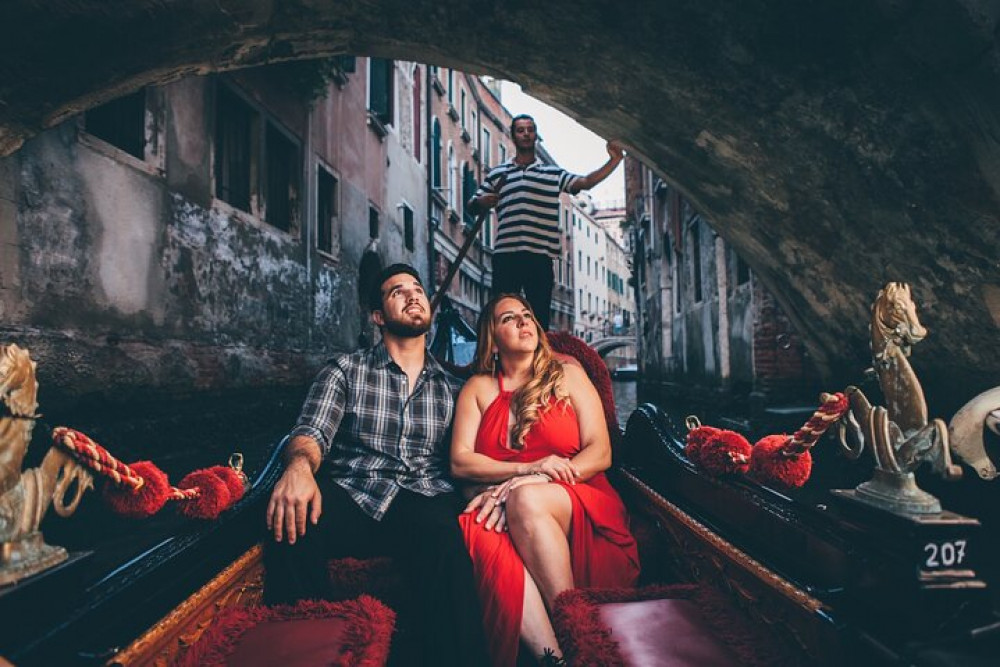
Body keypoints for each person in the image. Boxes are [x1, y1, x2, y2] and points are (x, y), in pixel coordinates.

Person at [264, 263, 490, 667]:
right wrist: (298, 468)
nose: (412, 295)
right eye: (397, 292)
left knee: (445, 540)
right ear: (378, 316)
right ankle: (312, 653)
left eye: (418, 289)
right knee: (291, 521)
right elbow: (311, 431)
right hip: (356, 492)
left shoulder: (454, 389)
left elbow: (468, 458)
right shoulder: (345, 371)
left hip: (424, 496)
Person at [451, 294, 640, 666]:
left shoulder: (568, 373)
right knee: (477, 523)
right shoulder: (478, 387)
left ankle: (578, 632)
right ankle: (556, 657)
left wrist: (533, 483)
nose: (524, 322)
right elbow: (460, 462)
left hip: (579, 499)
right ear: (491, 336)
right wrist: (524, 472)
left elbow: (600, 452)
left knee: (527, 500)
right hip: (502, 503)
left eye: (527, 315)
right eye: (510, 318)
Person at [468, 114, 624, 331]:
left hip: (539, 257)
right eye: (521, 130)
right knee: (502, 315)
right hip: (506, 256)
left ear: (535, 136)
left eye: (530, 130)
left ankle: (537, 364)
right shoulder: (497, 174)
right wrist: (481, 200)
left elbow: (585, 182)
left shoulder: (552, 174)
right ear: (513, 136)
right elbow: (472, 207)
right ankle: (501, 363)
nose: (525, 134)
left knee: (539, 320)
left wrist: (614, 160)